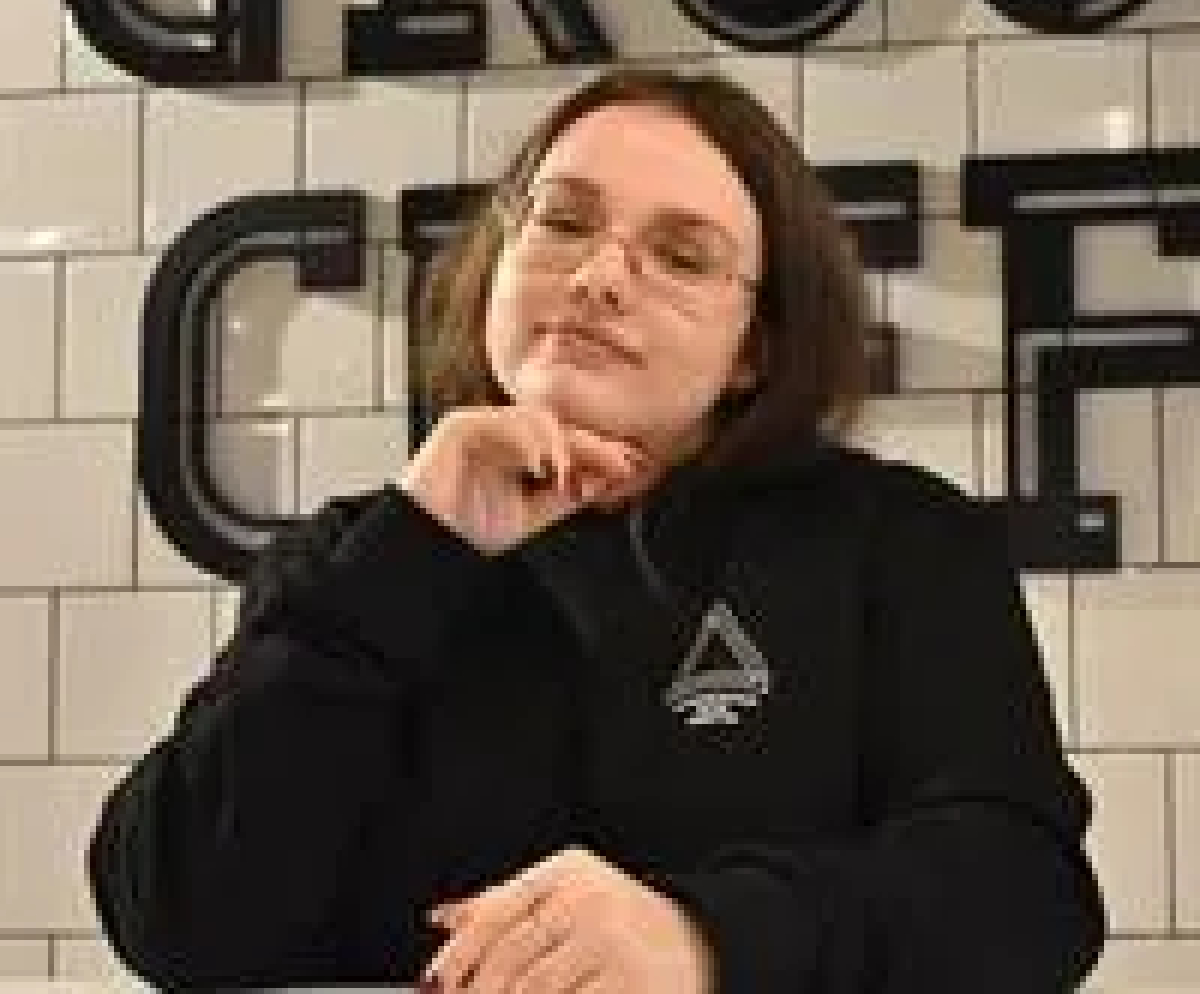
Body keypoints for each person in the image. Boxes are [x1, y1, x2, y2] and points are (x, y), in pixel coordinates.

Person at [87, 66, 1107, 992]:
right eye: (563, 222)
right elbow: (176, 918)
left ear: (753, 349)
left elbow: (1022, 897)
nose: (598, 279)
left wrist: (706, 936)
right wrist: (411, 546)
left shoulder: (898, 543)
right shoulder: (352, 559)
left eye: (681, 255)